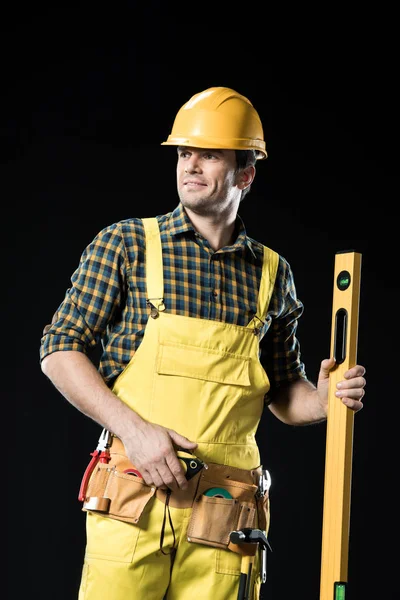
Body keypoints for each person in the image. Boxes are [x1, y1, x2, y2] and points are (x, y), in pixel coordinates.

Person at [40, 86, 366, 600]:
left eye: (209, 154)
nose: (190, 165)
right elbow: (59, 349)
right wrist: (135, 430)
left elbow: (283, 394)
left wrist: (324, 398)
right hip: (134, 500)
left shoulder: (272, 275)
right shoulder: (126, 244)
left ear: (246, 173)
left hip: (225, 515)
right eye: (184, 153)